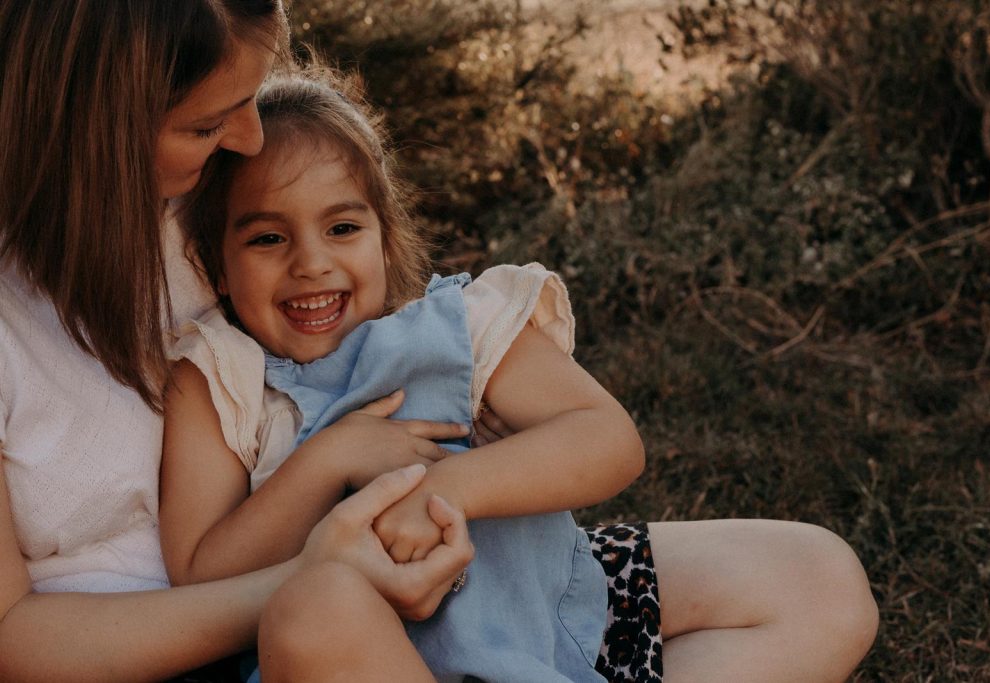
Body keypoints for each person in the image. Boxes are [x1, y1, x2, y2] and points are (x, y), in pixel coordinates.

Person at [164, 64, 880, 682]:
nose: (311, 262)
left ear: (385, 235)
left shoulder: (463, 326)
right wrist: (330, 457)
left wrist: (445, 488)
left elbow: (608, 440)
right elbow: (200, 573)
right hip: (366, 659)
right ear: (215, 264)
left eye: (343, 228)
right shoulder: (222, 378)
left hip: (555, 617)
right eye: (267, 237)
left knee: (819, 576)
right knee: (311, 609)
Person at [0, 3, 474, 681]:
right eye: (206, 123)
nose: (249, 139)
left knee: (685, 602)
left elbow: (348, 304)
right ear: (96, 122)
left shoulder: (196, 217)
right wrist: (313, 575)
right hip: (145, 652)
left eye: (249, 99)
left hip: (329, 600)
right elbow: (8, 636)